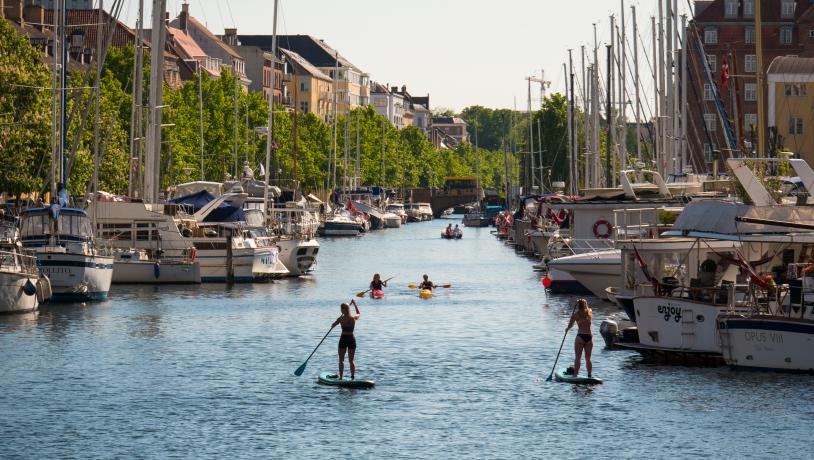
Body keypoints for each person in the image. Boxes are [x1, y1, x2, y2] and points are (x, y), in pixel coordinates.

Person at [332, 299, 360, 380]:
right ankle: (352, 377)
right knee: (351, 360)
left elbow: (333, 325)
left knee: (341, 360)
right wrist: (355, 304)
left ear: (342, 310)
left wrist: (336, 322)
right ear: (348, 309)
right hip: (351, 339)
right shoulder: (353, 318)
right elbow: (359, 313)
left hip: (343, 339)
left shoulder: (340, 319)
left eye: (341, 309)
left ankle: (341, 377)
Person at [566, 298, 593, 378]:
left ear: (578, 305)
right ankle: (589, 375)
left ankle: (575, 375)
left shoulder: (575, 315)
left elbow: (570, 325)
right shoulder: (590, 312)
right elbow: (587, 310)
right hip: (589, 337)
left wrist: (567, 329)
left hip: (580, 336)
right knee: (588, 358)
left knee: (578, 357)